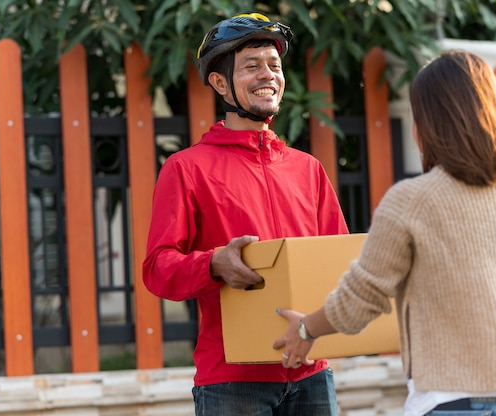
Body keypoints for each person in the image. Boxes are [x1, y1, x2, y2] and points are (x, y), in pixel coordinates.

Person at [274, 50, 496, 416]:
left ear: (428, 122)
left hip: (454, 399)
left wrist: (307, 329)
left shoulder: (413, 199)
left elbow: (361, 299)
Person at [142, 13, 349, 416]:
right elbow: (157, 269)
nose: (267, 75)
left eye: (274, 65)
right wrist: (214, 264)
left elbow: (337, 263)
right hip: (231, 380)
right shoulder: (187, 168)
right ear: (220, 83)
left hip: (311, 372)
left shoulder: (308, 169)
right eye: (251, 66)